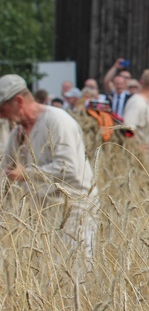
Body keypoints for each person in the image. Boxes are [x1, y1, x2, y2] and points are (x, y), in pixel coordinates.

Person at [0, 74, 98, 257]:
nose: (2, 116)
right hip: (42, 215)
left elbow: (70, 169)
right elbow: (5, 171)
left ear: (19, 101)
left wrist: (26, 174)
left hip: (73, 212)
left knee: (76, 274)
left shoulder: (57, 121)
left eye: (3, 110)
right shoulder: (17, 132)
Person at [122, 69, 149, 183]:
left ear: (141, 82)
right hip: (144, 164)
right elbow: (127, 129)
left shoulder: (147, 103)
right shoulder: (137, 102)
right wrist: (136, 147)